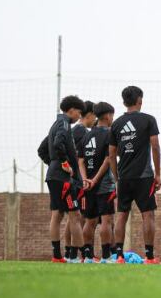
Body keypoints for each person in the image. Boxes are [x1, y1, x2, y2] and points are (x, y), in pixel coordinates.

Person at [109, 86, 161, 264]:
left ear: (124, 102)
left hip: (124, 176)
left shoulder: (116, 124)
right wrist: (158, 174)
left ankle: (119, 256)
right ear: (140, 100)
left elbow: (111, 154)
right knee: (148, 214)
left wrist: (116, 177)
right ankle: (150, 256)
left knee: (122, 215)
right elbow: (155, 146)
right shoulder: (148, 120)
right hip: (144, 176)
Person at [46, 95, 85, 263]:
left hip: (53, 175)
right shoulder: (64, 124)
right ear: (72, 110)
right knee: (75, 215)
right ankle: (83, 256)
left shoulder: (56, 124)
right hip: (62, 178)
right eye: (79, 113)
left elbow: (43, 148)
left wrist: (53, 163)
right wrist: (63, 163)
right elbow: (57, 144)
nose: (79, 116)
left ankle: (57, 256)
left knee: (57, 215)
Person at [77, 102, 116, 263]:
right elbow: (109, 159)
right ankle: (106, 256)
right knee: (107, 220)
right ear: (107, 116)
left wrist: (85, 179)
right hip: (104, 184)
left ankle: (87, 256)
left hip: (87, 185)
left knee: (90, 221)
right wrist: (95, 179)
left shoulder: (87, 135)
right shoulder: (109, 134)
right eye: (112, 115)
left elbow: (80, 160)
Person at [68, 100, 95, 261]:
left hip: (75, 179)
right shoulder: (81, 131)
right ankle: (77, 253)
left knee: (74, 217)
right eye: (94, 117)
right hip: (77, 181)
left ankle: (69, 253)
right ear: (90, 115)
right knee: (77, 217)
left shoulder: (75, 130)